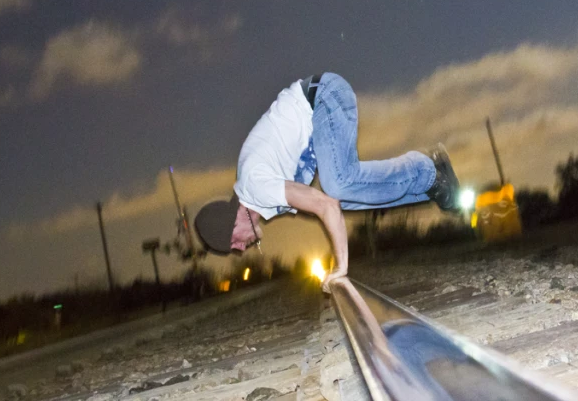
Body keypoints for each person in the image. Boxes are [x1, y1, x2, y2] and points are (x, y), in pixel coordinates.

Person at [195, 72, 460, 291]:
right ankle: (433, 185)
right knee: (346, 198)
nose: (240, 249)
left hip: (324, 96)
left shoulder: (256, 186)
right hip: (324, 108)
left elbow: (325, 206)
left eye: (234, 243)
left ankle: (427, 167)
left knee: (337, 186)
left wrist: (340, 267)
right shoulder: (263, 197)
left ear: (232, 223)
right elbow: (331, 206)